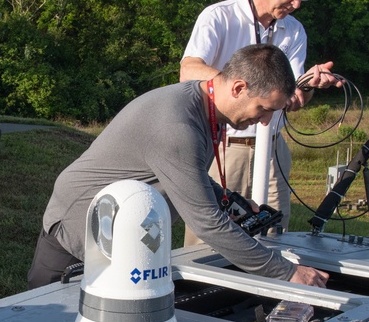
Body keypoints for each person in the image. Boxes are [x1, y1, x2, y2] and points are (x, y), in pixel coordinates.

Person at [28, 43, 329, 290]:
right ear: (238, 87)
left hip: (122, 238)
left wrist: (228, 200)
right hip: (76, 237)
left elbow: (186, 173)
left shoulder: (202, 104)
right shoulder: (177, 127)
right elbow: (207, 223)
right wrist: (286, 272)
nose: (265, 121)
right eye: (264, 109)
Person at [180, 0, 339, 237]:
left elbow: (294, 100)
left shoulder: (294, 30)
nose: (297, 4)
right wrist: (249, 88)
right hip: (225, 146)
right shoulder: (219, 17)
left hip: (273, 148)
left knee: (274, 233)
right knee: (212, 237)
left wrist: (308, 86)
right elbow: (189, 71)